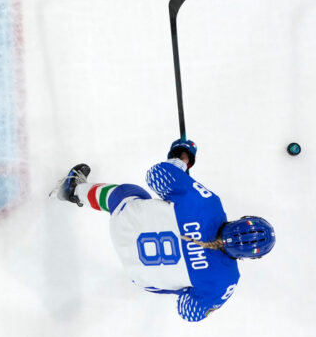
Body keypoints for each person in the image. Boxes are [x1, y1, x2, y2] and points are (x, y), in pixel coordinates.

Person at [55, 138, 276, 321]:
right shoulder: (225, 282)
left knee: (130, 192)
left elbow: (155, 176)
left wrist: (181, 160)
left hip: (124, 222)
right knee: (170, 285)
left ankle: (75, 189)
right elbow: (189, 312)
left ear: (242, 219)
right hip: (138, 275)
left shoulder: (207, 204)